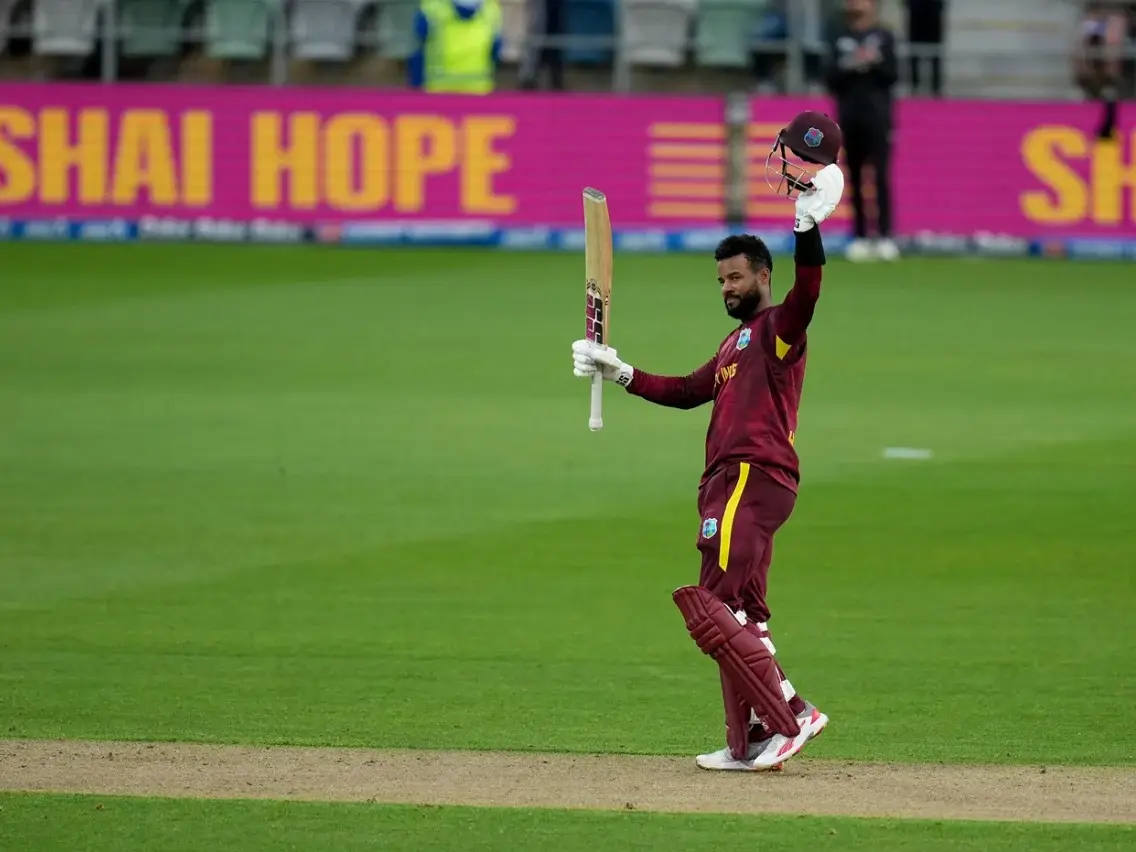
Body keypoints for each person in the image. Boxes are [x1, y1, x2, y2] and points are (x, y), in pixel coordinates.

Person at [570, 114, 845, 772]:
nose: (727, 288)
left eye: (737, 279)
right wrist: (620, 370)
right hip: (736, 481)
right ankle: (748, 740)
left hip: (751, 475)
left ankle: (792, 714)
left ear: (762, 278)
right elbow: (688, 389)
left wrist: (808, 228)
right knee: (741, 615)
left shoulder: (779, 328)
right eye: (720, 280)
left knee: (712, 608)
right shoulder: (732, 346)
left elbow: (809, 294)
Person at [824, 0, 898, 262]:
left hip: (878, 117)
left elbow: (893, 74)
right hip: (849, 117)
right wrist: (852, 65)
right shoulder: (838, 37)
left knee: (880, 178)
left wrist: (872, 63)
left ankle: (886, 236)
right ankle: (860, 236)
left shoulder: (884, 36)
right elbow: (830, 78)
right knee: (853, 178)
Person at [407, 0, 503, 94]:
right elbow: (495, 52)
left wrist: (415, 93)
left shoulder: (430, 10)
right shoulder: (491, 10)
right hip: (478, 93)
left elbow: (416, 52)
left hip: (437, 94)